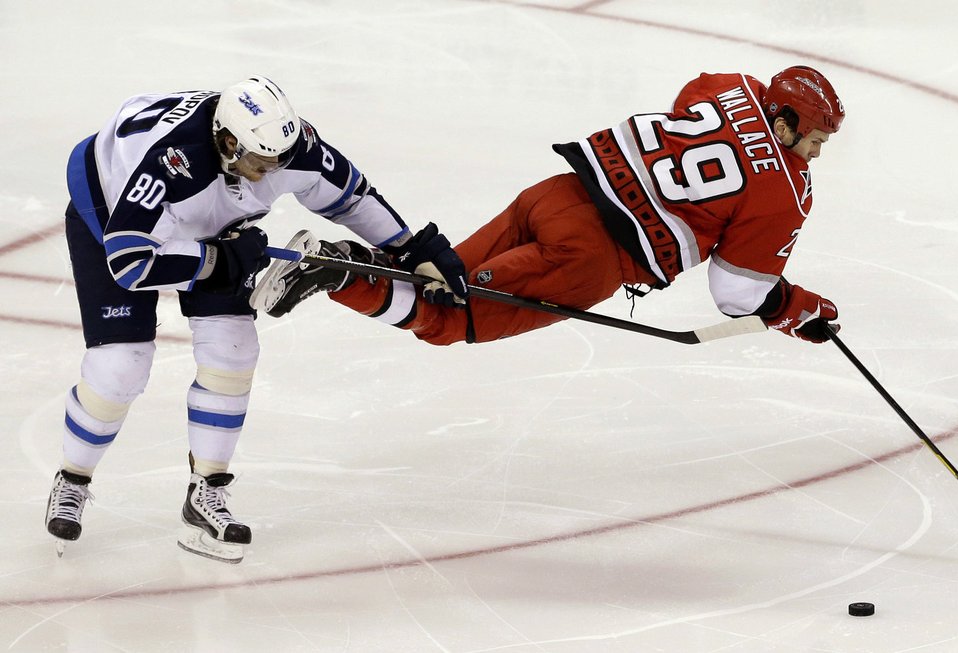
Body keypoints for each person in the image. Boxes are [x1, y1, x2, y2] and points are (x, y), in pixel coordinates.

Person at [48, 76, 467, 563]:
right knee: (121, 366)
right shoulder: (170, 159)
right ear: (227, 141)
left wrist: (413, 249)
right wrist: (217, 260)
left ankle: (206, 491)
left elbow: (353, 198)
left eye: (280, 161)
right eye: (259, 162)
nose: (271, 172)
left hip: (208, 218)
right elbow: (132, 262)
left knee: (233, 350)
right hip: (113, 214)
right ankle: (72, 478)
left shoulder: (292, 147)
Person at [254, 65, 843, 348]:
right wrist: (792, 306)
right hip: (591, 257)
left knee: (432, 280)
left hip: (555, 196)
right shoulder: (786, 194)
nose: (815, 154)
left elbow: (696, 110)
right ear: (785, 120)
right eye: (814, 138)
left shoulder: (727, 86)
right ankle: (332, 268)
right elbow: (736, 294)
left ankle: (332, 269)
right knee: (446, 318)